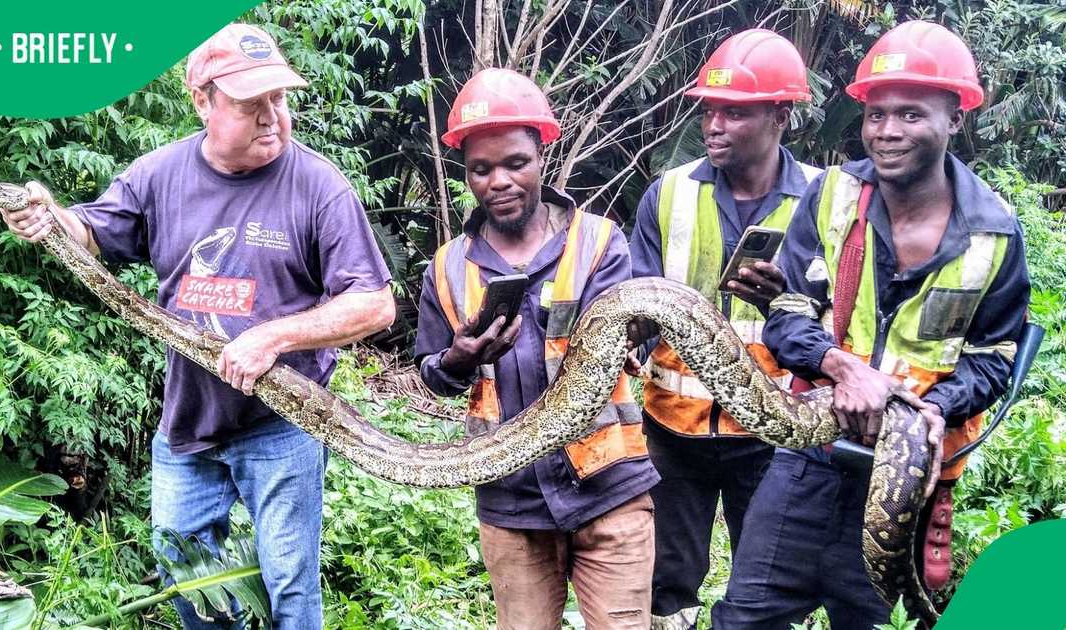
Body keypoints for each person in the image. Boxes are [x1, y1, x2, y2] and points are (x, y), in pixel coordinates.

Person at [0, 23, 395, 629]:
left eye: (278, 99)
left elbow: (374, 304)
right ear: (202, 100)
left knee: (289, 587)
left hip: (282, 425)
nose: (271, 118)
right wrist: (46, 217)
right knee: (190, 583)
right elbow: (91, 232)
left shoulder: (319, 187)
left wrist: (273, 336)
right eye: (249, 103)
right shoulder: (160, 174)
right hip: (188, 424)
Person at [712, 20, 1030, 629]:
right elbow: (787, 308)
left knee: (877, 621)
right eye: (876, 115)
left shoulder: (995, 232)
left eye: (911, 115)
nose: (887, 132)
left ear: (954, 117)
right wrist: (841, 367)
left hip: (911, 475)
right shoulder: (832, 195)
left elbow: (996, 357)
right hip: (811, 457)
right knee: (744, 618)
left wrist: (931, 409)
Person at [415, 67, 659, 629]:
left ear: (543, 155)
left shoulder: (600, 242)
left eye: (515, 163)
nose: (498, 180)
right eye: (481, 169)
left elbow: (623, 343)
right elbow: (430, 371)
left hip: (609, 489)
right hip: (512, 502)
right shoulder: (447, 268)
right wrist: (458, 360)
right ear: (467, 173)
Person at [627, 29, 820, 629]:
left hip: (773, 434)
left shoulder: (826, 200)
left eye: (734, 112)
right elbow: (635, 297)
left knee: (764, 586)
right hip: (672, 427)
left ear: (781, 115)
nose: (714, 125)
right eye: (709, 110)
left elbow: (849, 319)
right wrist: (625, 338)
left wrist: (782, 304)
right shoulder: (668, 195)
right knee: (667, 584)